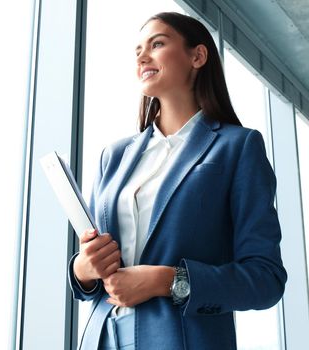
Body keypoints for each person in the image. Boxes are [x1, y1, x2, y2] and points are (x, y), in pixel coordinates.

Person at [68, 11, 287, 350]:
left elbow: (265, 279)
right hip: (103, 338)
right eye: (138, 50)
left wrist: (167, 280)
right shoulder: (114, 155)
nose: (142, 56)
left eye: (157, 44)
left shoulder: (238, 147)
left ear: (197, 56)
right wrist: (84, 268)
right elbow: (92, 278)